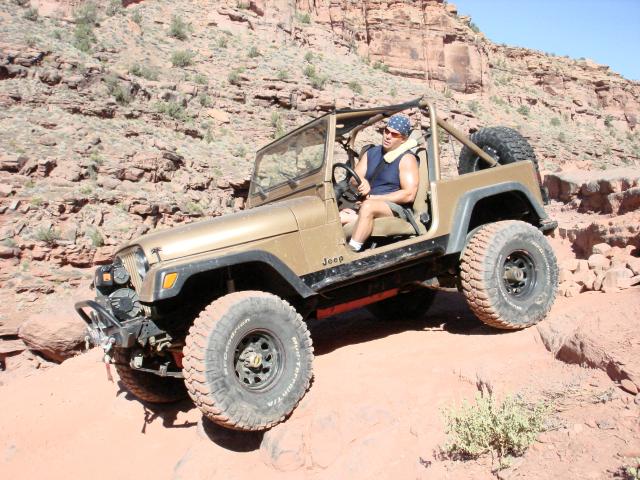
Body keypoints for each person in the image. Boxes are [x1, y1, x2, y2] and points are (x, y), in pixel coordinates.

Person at [340, 114, 419, 252]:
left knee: (368, 207)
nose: (388, 136)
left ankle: (352, 252)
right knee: (337, 216)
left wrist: (374, 199)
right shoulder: (371, 153)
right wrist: (362, 181)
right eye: (386, 131)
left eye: (394, 134)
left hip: (394, 208)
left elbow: (408, 195)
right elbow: (354, 178)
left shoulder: (406, 159)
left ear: (403, 139)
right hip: (365, 203)